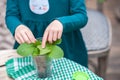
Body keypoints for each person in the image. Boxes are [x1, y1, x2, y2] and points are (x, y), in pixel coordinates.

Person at [5, 0, 88, 67]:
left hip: (67, 48)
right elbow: (11, 15)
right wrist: (17, 26)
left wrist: (61, 22)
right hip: (28, 47)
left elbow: (81, 15)